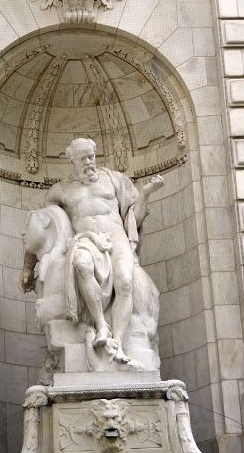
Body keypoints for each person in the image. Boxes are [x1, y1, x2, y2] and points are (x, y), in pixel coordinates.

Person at [44, 137, 163, 362]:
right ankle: (101, 326)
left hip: (116, 237)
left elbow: (133, 219)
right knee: (80, 263)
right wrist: (32, 265)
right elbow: (44, 226)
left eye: (91, 156)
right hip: (86, 240)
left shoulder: (115, 180)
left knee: (125, 282)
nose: (89, 162)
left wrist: (145, 194)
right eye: (83, 158)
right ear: (72, 161)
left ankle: (117, 342)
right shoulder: (59, 191)